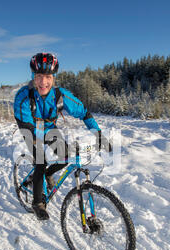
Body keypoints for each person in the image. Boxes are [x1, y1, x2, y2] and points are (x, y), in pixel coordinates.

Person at [14, 52, 111, 220]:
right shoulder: (23, 97)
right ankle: (38, 203)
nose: (43, 82)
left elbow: (84, 113)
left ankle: (47, 174)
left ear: (53, 78)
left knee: (65, 156)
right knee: (40, 160)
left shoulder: (60, 95)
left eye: (48, 76)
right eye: (38, 76)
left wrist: (98, 134)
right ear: (32, 76)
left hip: (49, 128)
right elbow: (28, 128)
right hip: (29, 129)